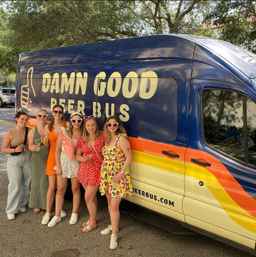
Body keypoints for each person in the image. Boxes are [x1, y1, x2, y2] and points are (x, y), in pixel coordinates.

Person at [99, 115, 133, 249]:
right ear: (106, 125)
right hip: (107, 175)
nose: (112, 127)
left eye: (115, 125)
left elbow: (129, 158)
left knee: (114, 206)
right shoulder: (106, 139)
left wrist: (121, 173)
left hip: (118, 177)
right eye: (109, 124)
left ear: (118, 126)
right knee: (109, 202)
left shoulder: (122, 139)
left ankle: (114, 235)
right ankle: (113, 225)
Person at [47, 112, 83, 227]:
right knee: (60, 190)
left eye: (79, 120)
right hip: (63, 162)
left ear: (81, 122)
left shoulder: (84, 134)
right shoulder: (64, 132)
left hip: (76, 163)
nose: (76, 123)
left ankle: (74, 213)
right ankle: (57, 215)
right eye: (74, 120)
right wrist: (58, 165)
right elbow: (57, 150)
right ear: (70, 122)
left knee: (75, 189)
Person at [76, 116, 104, 233]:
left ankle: (92, 223)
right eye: (88, 125)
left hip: (97, 170)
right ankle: (92, 218)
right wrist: (82, 158)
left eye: (93, 125)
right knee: (91, 197)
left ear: (96, 125)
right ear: (85, 127)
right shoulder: (82, 139)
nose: (91, 127)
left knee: (87, 197)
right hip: (85, 169)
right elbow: (77, 155)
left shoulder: (102, 136)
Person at [1, 111, 31, 220]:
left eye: (26, 119)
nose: (24, 121)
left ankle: (22, 204)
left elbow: (30, 145)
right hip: (14, 160)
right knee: (15, 185)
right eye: (22, 119)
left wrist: (27, 146)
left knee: (26, 182)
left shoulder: (29, 131)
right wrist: (14, 149)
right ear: (17, 119)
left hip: (27, 157)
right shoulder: (10, 133)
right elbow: (3, 148)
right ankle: (11, 210)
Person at [41, 104, 67, 225]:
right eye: (55, 112)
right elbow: (47, 144)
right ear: (52, 112)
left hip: (63, 158)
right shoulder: (48, 126)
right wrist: (45, 141)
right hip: (52, 158)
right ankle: (47, 212)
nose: (57, 114)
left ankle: (58, 210)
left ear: (62, 113)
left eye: (60, 112)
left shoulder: (67, 125)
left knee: (61, 188)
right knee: (51, 187)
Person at [28, 109, 49, 214]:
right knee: (36, 181)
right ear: (36, 117)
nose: (42, 118)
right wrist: (33, 147)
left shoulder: (49, 130)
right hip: (36, 158)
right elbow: (29, 146)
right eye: (39, 116)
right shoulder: (33, 130)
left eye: (44, 116)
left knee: (45, 182)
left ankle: (45, 204)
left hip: (47, 158)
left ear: (47, 118)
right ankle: (35, 204)